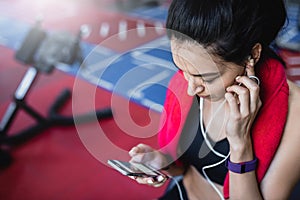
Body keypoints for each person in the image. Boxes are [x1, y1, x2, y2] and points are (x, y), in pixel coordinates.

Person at [129, 0, 300, 199]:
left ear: (252, 55)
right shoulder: (188, 79)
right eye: (181, 68)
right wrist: (161, 162)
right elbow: (187, 168)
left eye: (207, 77)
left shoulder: (294, 112)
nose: (191, 89)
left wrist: (240, 144)